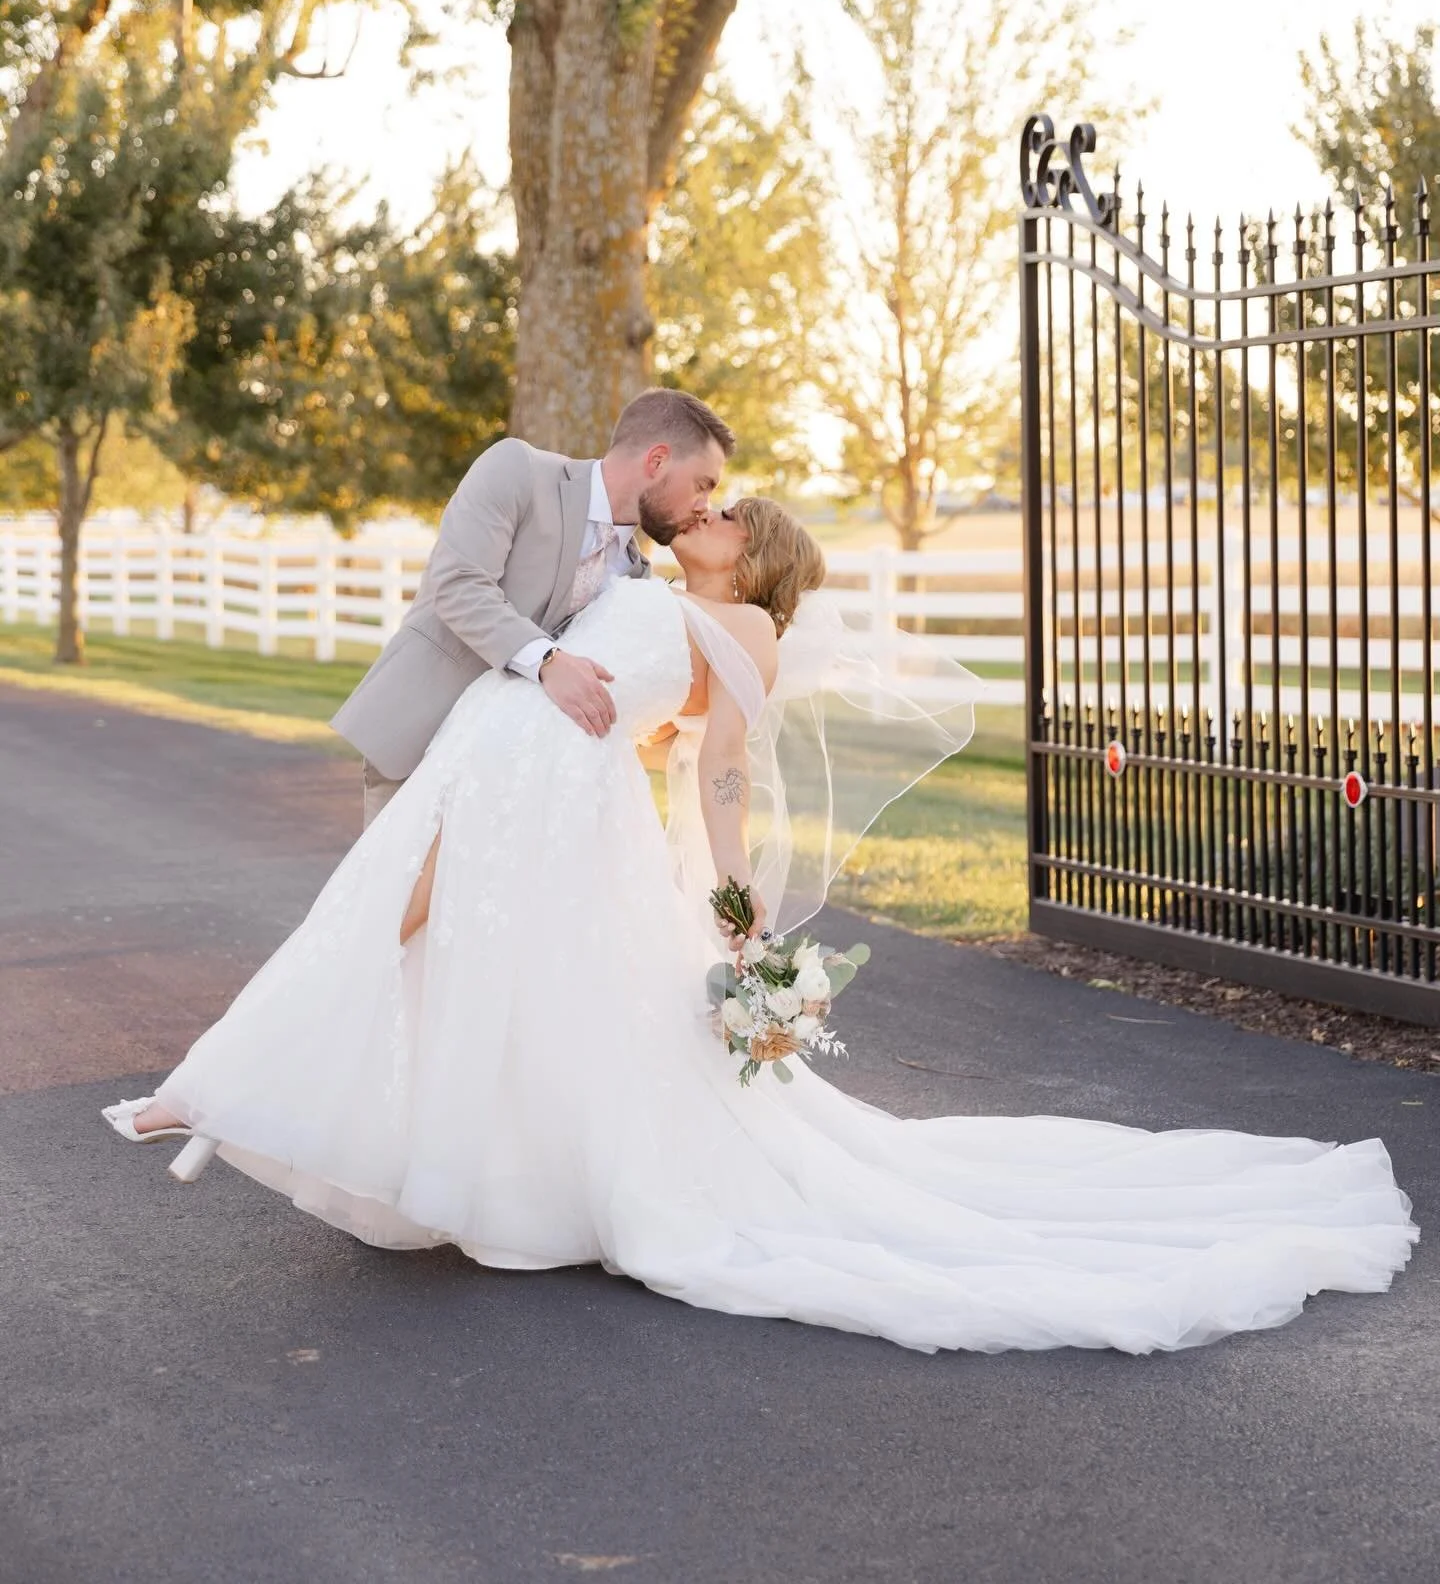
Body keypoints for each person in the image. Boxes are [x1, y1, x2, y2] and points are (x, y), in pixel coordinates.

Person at [103, 498, 1417, 1355]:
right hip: (499, 771)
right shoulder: (643, 575)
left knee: (414, 938)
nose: (710, 514)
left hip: (549, 805)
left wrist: (736, 912)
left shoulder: (735, 627)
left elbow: (718, 772)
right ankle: (250, 1099)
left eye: (732, 516)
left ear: (757, 560)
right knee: (405, 937)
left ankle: (215, 1094)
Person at [332, 386, 734, 827]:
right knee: (393, 896)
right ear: (657, 460)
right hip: (420, 738)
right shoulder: (518, 470)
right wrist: (547, 660)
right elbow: (458, 584)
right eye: (703, 484)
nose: (704, 507)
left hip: (511, 781)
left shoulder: (637, 580)